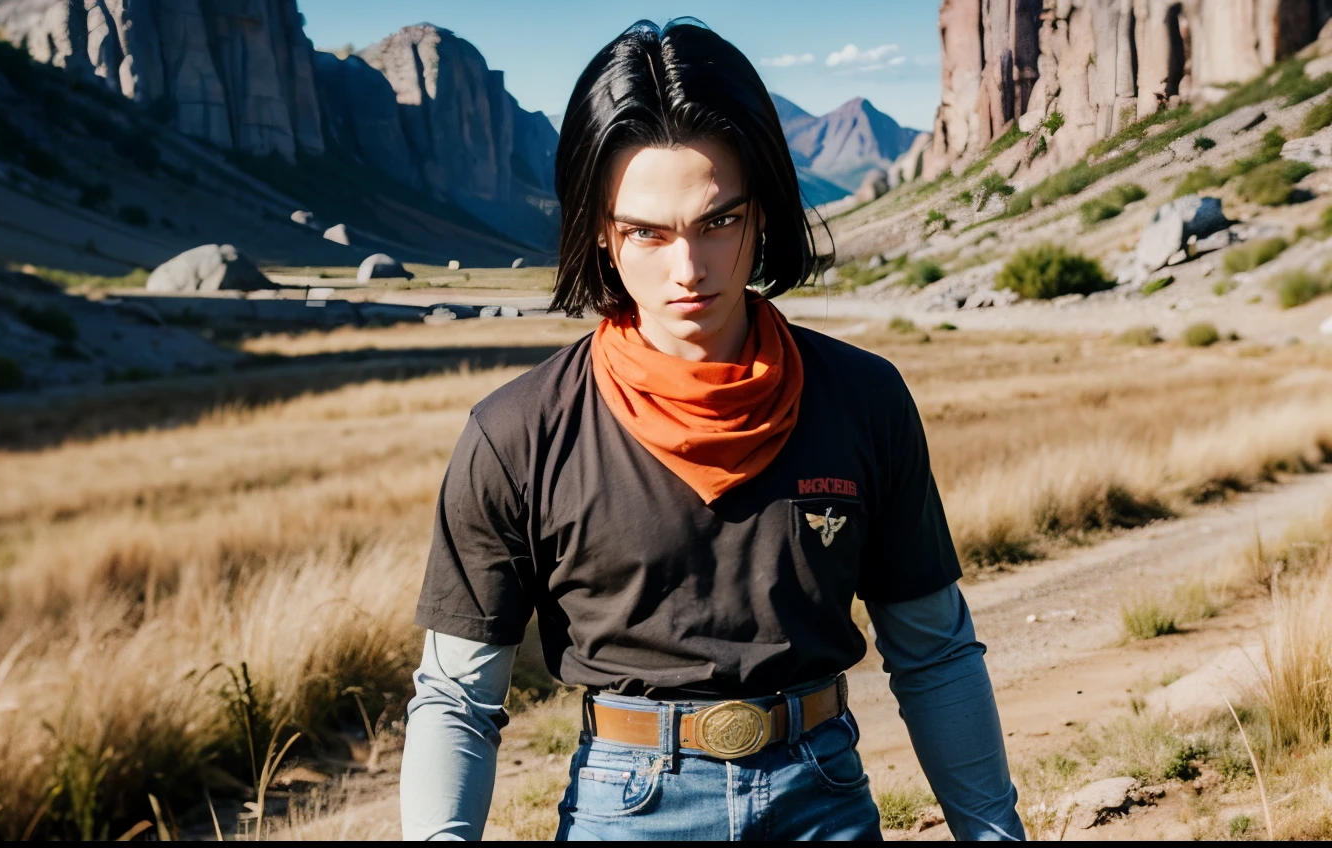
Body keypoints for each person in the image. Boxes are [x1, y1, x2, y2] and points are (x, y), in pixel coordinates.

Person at [400, 18, 1024, 841]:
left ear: (762, 212)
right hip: (624, 812)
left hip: (825, 799)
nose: (688, 270)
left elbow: (935, 654)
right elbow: (456, 698)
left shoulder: (864, 398)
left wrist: (995, 833)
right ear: (598, 231)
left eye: (718, 221)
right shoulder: (516, 433)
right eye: (647, 234)